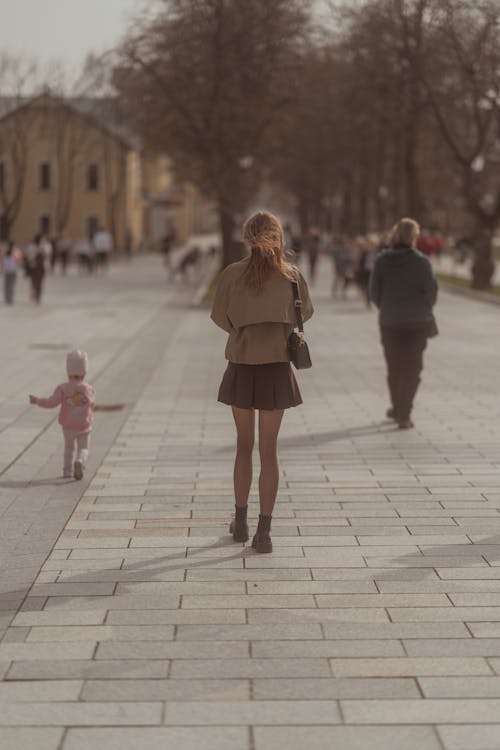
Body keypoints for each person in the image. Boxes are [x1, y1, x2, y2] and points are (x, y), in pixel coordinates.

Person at [211, 210, 313, 553]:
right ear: (278, 237)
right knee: (269, 451)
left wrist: (244, 330)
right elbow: (306, 313)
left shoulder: (231, 274)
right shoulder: (292, 276)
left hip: (241, 363)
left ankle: (239, 521)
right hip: (276, 367)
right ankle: (263, 532)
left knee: (243, 445)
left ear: (246, 237)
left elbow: (219, 317)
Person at [369, 217, 438, 429]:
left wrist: (388, 308)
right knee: (413, 368)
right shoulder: (422, 262)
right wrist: (422, 308)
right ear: (414, 237)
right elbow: (432, 293)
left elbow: (373, 293)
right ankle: (404, 413)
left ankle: (397, 406)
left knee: (394, 367)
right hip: (417, 323)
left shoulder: (381, 261)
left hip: (390, 322)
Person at [29, 350, 95, 479]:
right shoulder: (89, 389)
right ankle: (80, 461)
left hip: (68, 425)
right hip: (83, 425)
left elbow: (51, 403)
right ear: (85, 371)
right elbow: (92, 406)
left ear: (68, 371)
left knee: (69, 449)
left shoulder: (63, 389)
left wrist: (37, 401)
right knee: (83, 448)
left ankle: (67, 470)